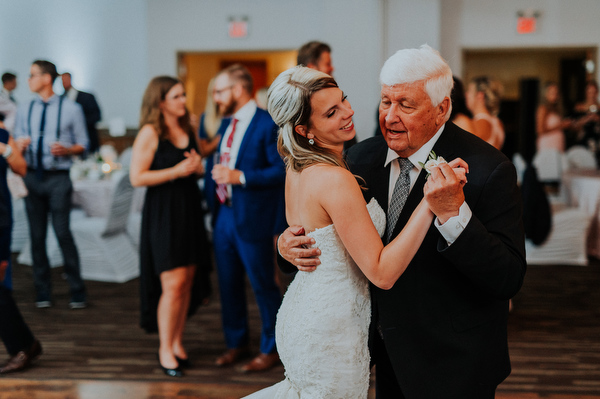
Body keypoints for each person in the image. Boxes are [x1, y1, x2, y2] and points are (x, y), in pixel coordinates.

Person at [279, 45, 526, 398]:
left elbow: (508, 277)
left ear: (442, 109)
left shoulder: (488, 169)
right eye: (385, 102)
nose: (389, 117)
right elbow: (329, 229)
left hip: (450, 360)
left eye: (405, 105)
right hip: (378, 352)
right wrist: (284, 247)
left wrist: (454, 216)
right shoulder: (360, 157)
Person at [244, 66, 468, 399]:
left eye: (344, 100)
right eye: (331, 112)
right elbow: (381, 273)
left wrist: (282, 243)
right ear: (304, 128)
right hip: (331, 330)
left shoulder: (297, 165)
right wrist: (429, 203)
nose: (348, 112)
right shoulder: (334, 178)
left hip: (304, 312)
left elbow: (310, 230)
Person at [130, 76, 212, 377]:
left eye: (182, 95)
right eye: (176, 96)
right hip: (164, 213)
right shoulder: (151, 132)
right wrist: (176, 171)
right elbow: (136, 177)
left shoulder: (188, 127)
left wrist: (196, 167)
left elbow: (199, 159)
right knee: (173, 283)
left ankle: (177, 341)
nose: (183, 101)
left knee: (187, 281)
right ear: (161, 101)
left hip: (189, 209)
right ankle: (165, 347)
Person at [209, 64, 286, 372]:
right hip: (224, 214)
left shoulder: (266, 123)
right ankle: (236, 342)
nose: (215, 97)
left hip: (253, 217)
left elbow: (279, 170)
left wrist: (238, 176)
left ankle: (272, 346)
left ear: (238, 90)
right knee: (227, 284)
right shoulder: (226, 124)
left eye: (220, 91)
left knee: (263, 284)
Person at [13, 60, 89, 309]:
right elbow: (16, 140)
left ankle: (77, 290)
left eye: (32, 75)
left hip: (58, 177)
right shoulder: (25, 109)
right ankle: (42, 291)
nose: (28, 80)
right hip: (32, 176)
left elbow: (83, 144)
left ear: (46, 78)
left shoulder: (71, 109)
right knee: (37, 236)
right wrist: (19, 145)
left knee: (63, 233)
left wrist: (67, 149)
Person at [0, 121, 40, 375]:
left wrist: (3, 149)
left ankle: (24, 345)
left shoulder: (2, 133)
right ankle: (25, 345)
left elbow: (21, 168)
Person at [61, 72, 102, 153]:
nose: (63, 83)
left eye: (65, 80)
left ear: (70, 79)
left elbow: (97, 116)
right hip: (69, 144)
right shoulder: (61, 98)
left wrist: (78, 123)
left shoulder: (87, 96)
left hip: (88, 138)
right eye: (62, 81)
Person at [465, 75, 505, 149]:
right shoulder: (498, 122)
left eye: (469, 91)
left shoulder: (479, 123)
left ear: (480, 95)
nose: (466, 95)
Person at [536, 82, 572, 153]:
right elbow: (540, 130)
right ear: (546, 94)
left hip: (557, 144)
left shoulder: (557, 109)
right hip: (548, 143)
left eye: (556, 93)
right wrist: (561, 125)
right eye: (552, 93)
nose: (555, 96)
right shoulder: (543, 109)